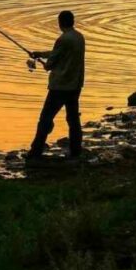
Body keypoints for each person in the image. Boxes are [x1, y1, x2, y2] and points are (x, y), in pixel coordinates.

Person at [27, 10, 85, 160]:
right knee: (73, 119)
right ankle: (76, 150)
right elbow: (58, 53)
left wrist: (44, 63)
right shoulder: (79, 37)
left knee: (45, 118)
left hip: (59, 87)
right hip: (75, 85)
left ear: (60, 23)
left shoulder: (63, 39)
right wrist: (39, 54)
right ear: (72, 21)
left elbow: (50, 65)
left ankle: (35, 151)